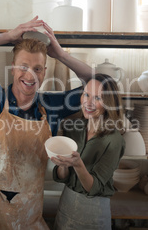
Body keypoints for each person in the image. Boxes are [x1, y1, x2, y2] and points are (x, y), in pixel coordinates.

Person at [0, 17, 92, 229]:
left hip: (26, 221)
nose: (30, 74)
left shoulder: (51, 106)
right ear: (12, 68)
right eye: (23, 66)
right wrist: (7, 36)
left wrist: (60, 54)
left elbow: (100, 83)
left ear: (45, 72)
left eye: (38, 68)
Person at [50, 73, 126, 230]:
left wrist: (78, 164)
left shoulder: (114, 140)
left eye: (97, 98)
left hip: (94, 211)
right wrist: (63, 164)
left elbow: (94, 187)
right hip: (66, 204)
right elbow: (62, 178)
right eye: (86, 94)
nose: (88, 103)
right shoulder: (72, 127)